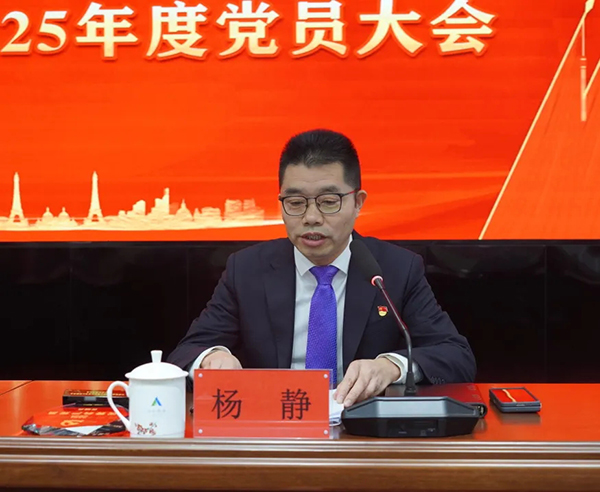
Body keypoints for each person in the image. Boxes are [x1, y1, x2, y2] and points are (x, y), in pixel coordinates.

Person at [168, 129, 476, 407]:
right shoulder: (247, 269)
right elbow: (188, 351)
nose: (311, 217)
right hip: (272, 428)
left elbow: (455, 355)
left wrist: (391, 366)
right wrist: (212, 358)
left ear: (358, 202)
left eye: (328, 201)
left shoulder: (395, 269)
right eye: (295, 203)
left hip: (361, 433)